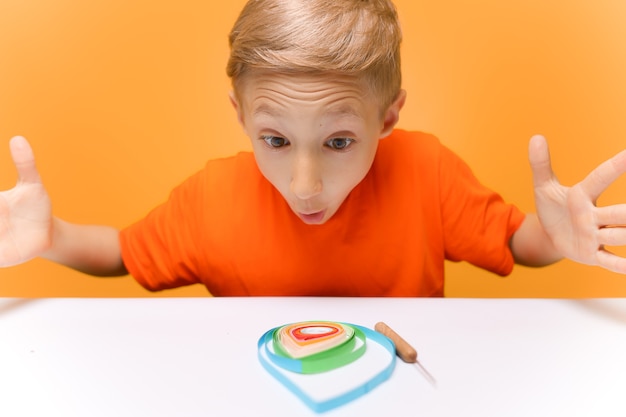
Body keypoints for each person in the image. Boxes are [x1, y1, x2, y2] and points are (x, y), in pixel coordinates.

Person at [1, 0, 625, 296]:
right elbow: (122, 254)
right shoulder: (212, 197)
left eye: (337, 141)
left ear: (389, 117)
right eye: (275, 139)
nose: (304, 184)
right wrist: (48, 236)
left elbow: (517, 243)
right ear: (240, 117)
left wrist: (560, 241)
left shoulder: (427, 170)